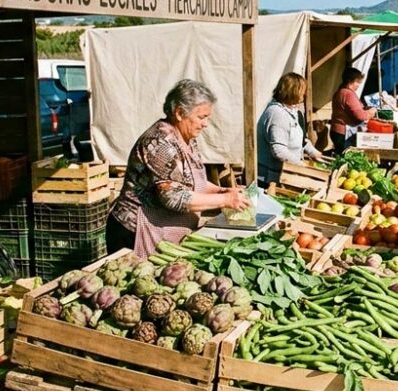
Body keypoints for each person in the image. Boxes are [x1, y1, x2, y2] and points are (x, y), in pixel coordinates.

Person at [108, 80, 251, 257]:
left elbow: (192, 182)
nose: (206, 123)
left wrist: (222, 191)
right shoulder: (160, 142)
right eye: (201, 117)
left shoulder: (187, 139)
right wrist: (225, 200)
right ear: (180, 113)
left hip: (162, 231)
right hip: (135, 233)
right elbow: (173, 197)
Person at [257, 73, 323, 186]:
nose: (304, 93)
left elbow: (302, 139)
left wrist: (313, 152)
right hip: (270, 179)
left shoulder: (292, 112)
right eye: (302, 90)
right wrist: (300, 164)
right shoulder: (278, 114)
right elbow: (279, 151)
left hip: (284, 175)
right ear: (293, 91)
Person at [330, 68, 375, 154]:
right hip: (343, 133)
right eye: (357, 82)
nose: (358, 85)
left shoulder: (340, 92)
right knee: (346, 160)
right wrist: (371, 112)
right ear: (349, 80)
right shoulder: (348, 94)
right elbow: (360, 116)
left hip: (336, 131)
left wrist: (364, 109)